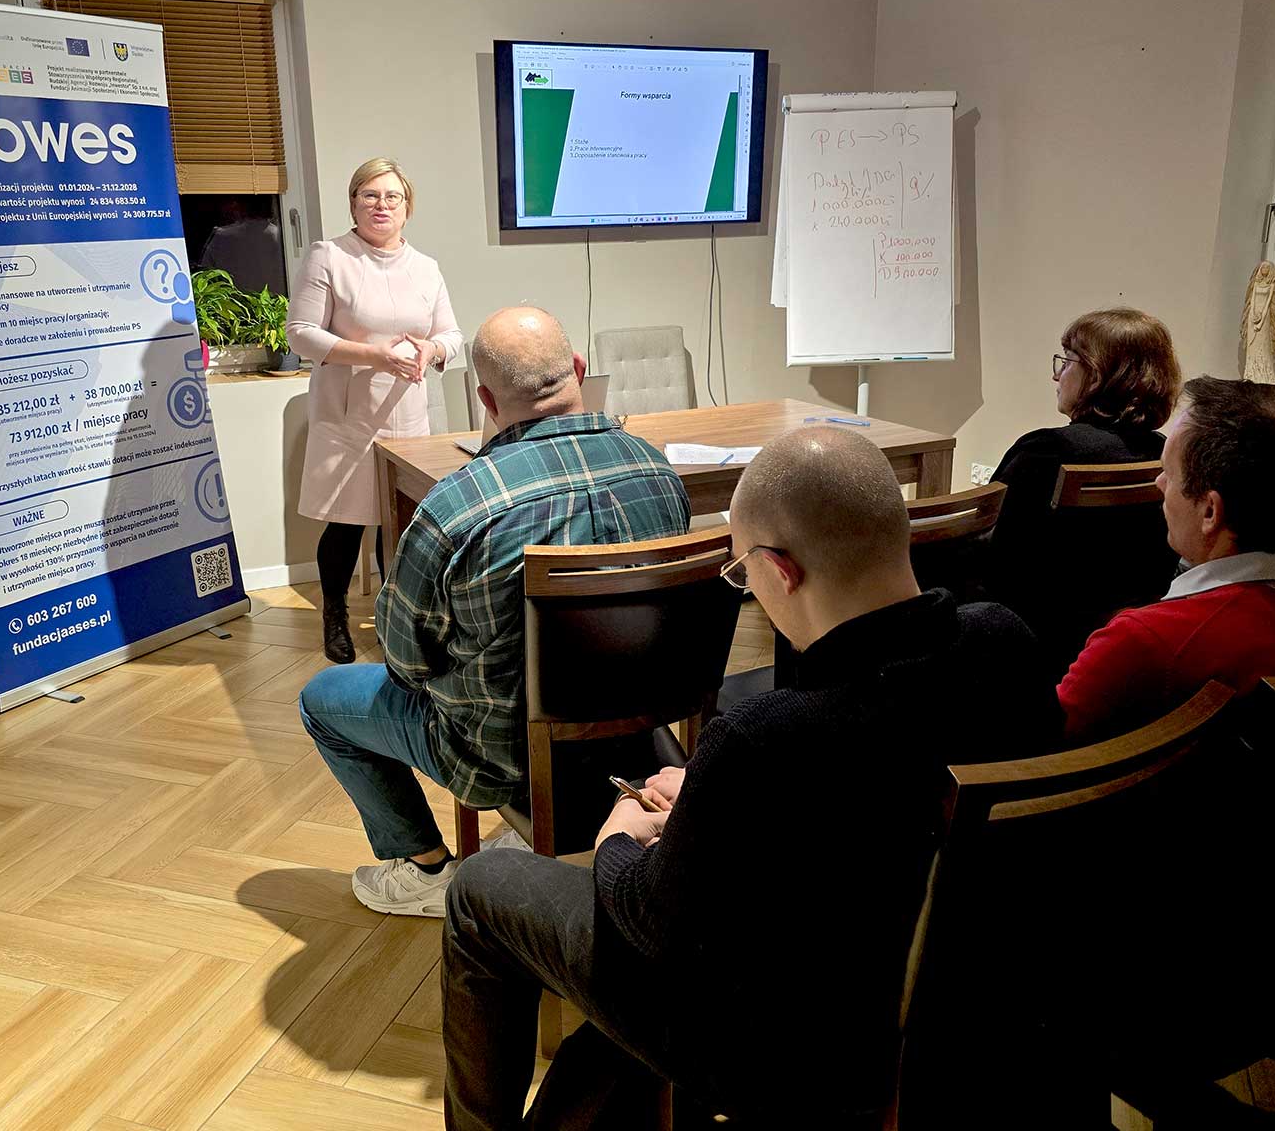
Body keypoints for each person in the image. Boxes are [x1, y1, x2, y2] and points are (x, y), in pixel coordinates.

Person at [441, 427, 1057, 1129]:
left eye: (742, 573)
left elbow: (649, 922)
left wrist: (618, 837)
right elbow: (871, 806)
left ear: (779, 569)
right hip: (971, 1010)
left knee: (480, 887)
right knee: (605, 1044)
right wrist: (709, 807)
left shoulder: (765, 737)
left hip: (786, 1053)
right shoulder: (1005, 642)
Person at [297, 306, 690, 919]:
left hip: (500, 760)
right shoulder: (658, 472)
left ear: (485, 398)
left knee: (321, 699)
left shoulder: (456, 508)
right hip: (641, 732)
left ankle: (426, 869)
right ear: (579, 369)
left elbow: (405, 663)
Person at [1057, 377, 1275, 743]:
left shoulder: (1145, 643)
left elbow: (1045, 752)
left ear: (1210, 511)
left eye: (1170, 474)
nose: (1160, 484)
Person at [287, 158, 464, 664]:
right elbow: (300, 334)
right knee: (347, 522)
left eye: (392, 197)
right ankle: (335, 615)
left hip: (407, 414)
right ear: (353, 204)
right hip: (347, 414)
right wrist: (373, 355)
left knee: (400, 525)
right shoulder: (329, 256)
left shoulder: (426, 267)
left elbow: (452, 334)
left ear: (407, 208)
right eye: (370, 195)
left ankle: (394, 619)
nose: (381, 205)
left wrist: (432, 350)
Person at [986, 308, 1182, 668]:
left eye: (1067, 361)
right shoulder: (1165, 453)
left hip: (1029, 635)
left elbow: (993, 545)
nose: (1056, 375)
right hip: (1122, 638)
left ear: (1097, 375)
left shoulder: (1046, 451)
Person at [198, 196, 283, 296]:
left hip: (231, 304)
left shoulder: (221, 237)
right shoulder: (282, 237)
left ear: (240, 206)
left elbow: (204, 277)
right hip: (278, 303)